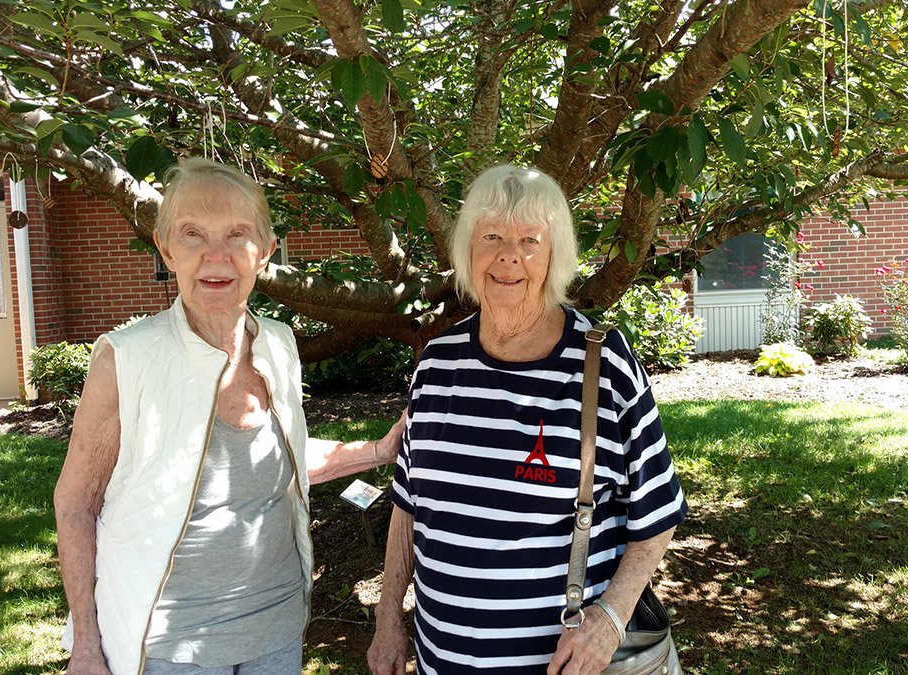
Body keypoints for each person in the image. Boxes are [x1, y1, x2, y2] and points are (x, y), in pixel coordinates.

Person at [53, 157, 404, 675]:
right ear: (165, 248)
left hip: (277, 626)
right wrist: (85, 643)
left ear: (264, 251)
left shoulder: (279, 345)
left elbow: (276, 461)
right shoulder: (125, 361)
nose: (216, 255)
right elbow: (76, 505)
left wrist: (380, 450)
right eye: (193, 233)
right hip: (168, 644)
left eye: (237, 234)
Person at [367, 165, 688, 675]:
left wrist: (608, 619)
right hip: (439, 660)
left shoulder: (603, 366)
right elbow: (408, 508)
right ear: (468, 251)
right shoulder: (437, 363)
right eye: (491, 235)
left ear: (554, 255)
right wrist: (388, 620)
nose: (508, 256)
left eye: (529, 240)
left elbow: (659, 513)